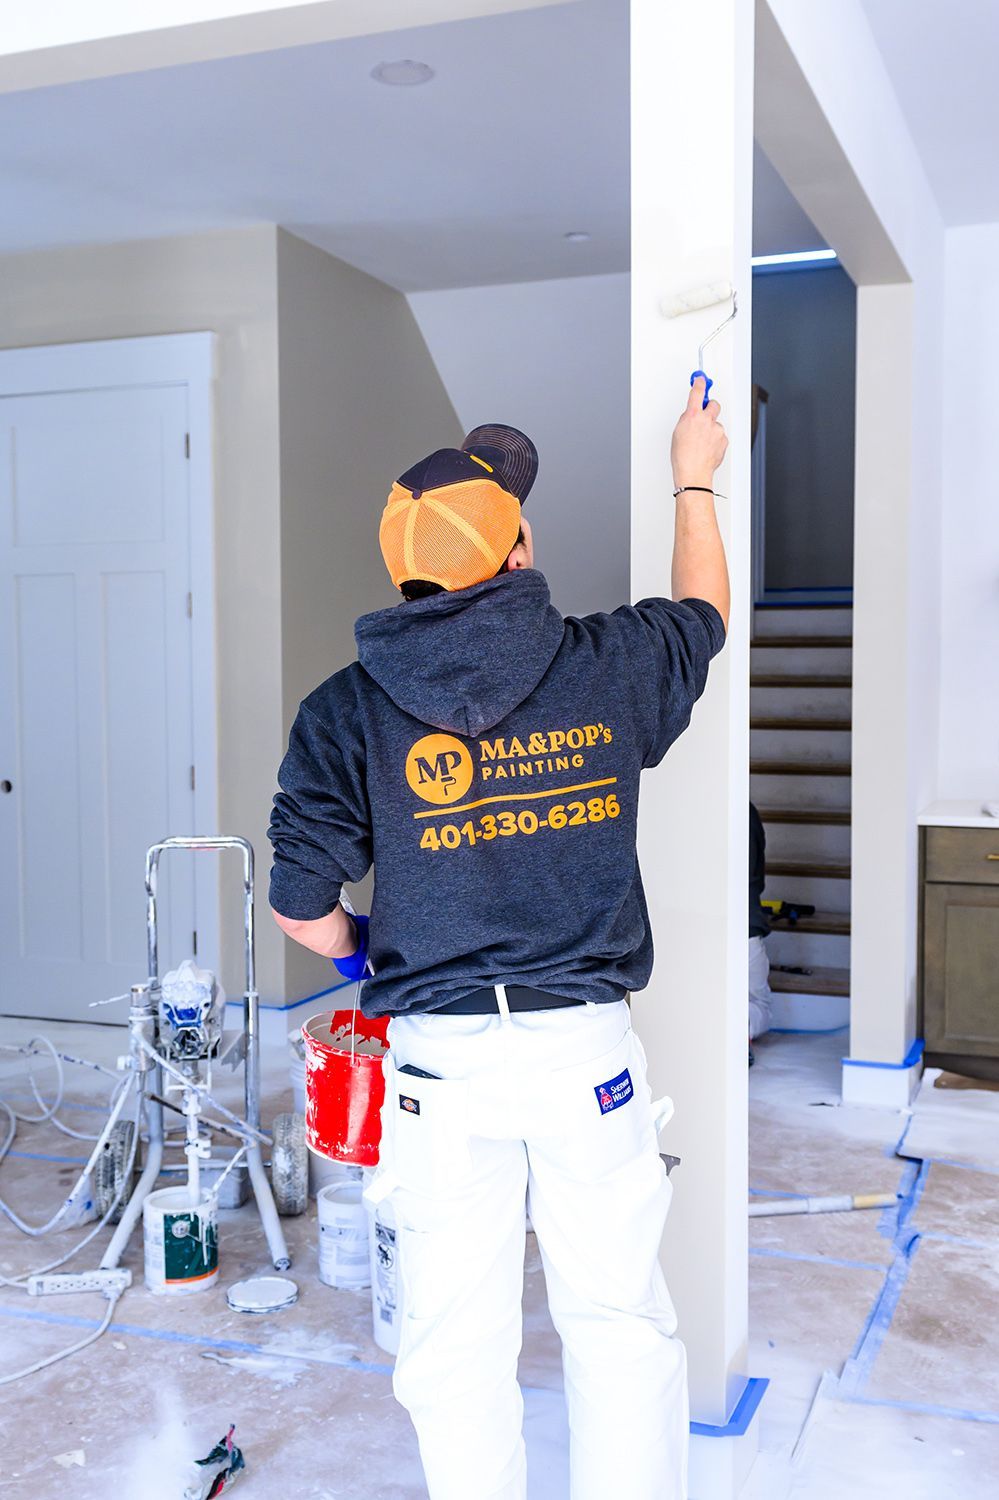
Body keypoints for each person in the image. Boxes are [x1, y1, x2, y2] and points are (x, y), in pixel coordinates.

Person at [268, 382, 729, 1500]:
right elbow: (705, 610)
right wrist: (694, 472)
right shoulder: (606, 663)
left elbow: (298, 900)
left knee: (452, 1343)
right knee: (617, 1320)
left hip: (439, 1071)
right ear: (517, 549)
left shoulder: (347, 708)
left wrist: (357, 954)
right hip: (586, 1063)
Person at [749, 802, 773, 1061]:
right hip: (747, 927)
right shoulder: (748, 813)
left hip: (704, 927)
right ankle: (741, 1030)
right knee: (761, 1007)